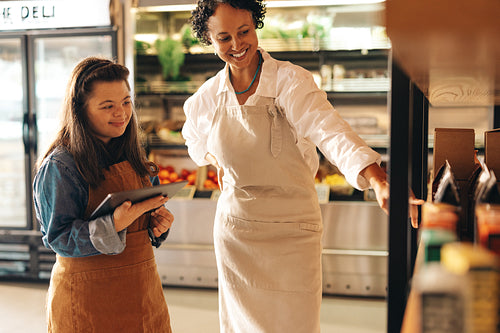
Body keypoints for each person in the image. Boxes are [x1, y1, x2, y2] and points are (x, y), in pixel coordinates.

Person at [182, 1, 423, 332]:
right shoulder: (206, 98)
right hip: (237, 233)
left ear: (256, 25)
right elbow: (193, 141)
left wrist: (378, 179)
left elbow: (328, 129)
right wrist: (213, 159)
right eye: (224, 38)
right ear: (208, 39)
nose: (237, 46)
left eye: (244, 32)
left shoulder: (289, 80)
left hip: (293, 233)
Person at [33, 57, 173, 332]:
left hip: (143, 295)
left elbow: (145, 223)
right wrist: (114, 224)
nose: (121, 113)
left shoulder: (134, 155)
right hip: (86, 301)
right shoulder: (61, 165)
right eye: (107, 106)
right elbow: (58, 238)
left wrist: (158, 226)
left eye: (126, 101)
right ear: (80, 110)